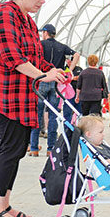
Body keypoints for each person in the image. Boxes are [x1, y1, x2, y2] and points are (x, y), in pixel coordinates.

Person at [0, 0, 65, 217]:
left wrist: (55, 71)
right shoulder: (5, 14)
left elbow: (35, 56)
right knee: (9, 150)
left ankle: (4, 206)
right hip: (3, 95)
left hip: (20, 96)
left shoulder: (26, 20)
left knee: (15, 151)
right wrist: (43, 76)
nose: (42, 1)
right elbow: (12, 58)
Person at [29, 23, 80, 157]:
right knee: (53, 115)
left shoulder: (40, 44)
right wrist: (69, 70)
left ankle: (33, 147)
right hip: (56, 83)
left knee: (37, 114)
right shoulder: (62, 47)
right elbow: (76, 55)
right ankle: (50, 148)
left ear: (45, 33)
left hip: (42, 80)